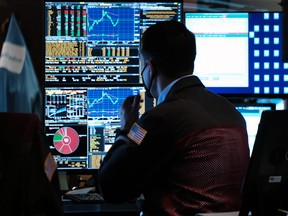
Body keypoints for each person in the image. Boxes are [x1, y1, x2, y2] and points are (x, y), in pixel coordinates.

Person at [98, 20, 250, 215]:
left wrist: (127, 129)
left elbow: (111, 187)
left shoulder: (157, 119)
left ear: (150, 68)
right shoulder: (233, 113)